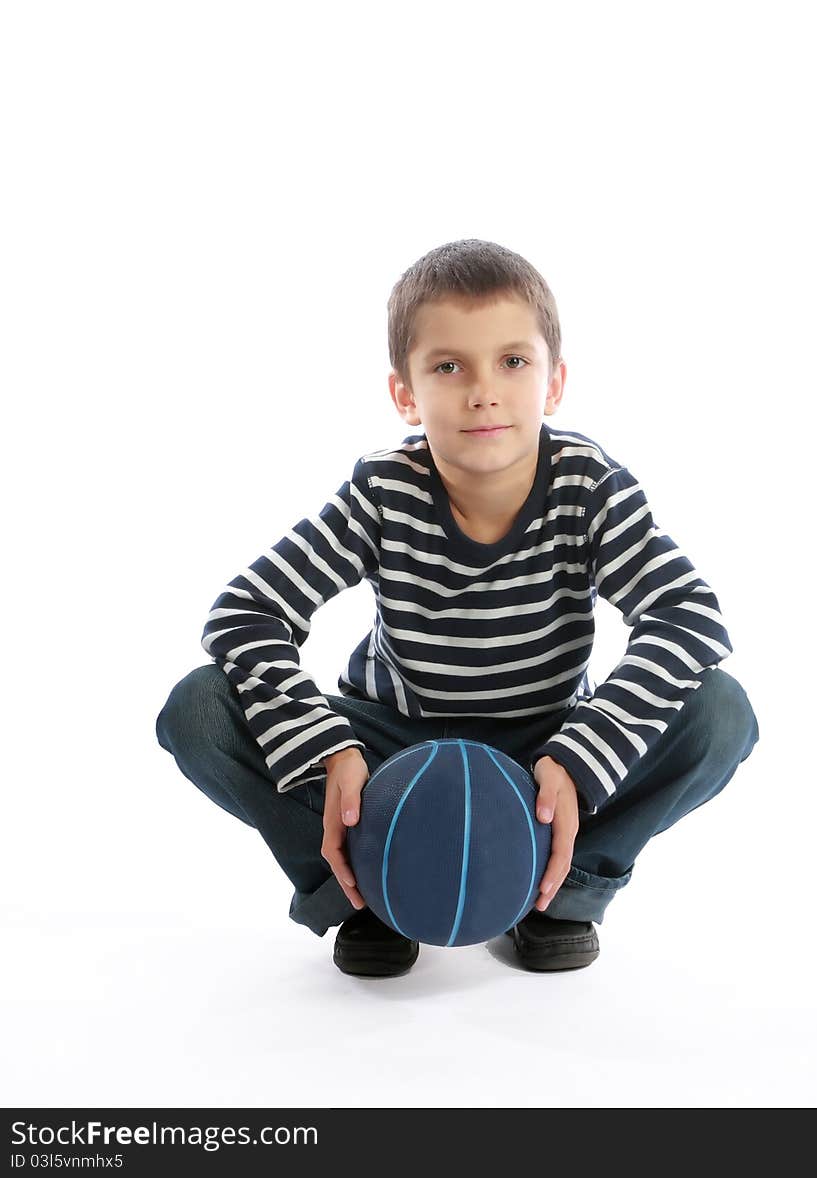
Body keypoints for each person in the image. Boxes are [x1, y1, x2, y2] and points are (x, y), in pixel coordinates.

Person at [155, 238, 760, 979]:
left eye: (513, 361)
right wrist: (328, 749)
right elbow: (244, 613)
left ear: (555, 380)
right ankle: (366, 891)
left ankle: (560, 891)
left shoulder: (590, 487)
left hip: (544, 745)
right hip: (398, 742)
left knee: (721, 712)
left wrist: (579, 754)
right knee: (198, 708)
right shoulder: (384, 491)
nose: (485, 391)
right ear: (405, 393)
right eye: (449, 366)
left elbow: (689, 618)